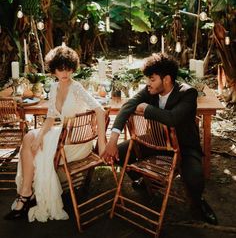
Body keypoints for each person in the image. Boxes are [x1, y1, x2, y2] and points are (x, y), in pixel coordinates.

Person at [102, 53, 218, 225]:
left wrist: (147, 108)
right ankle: (142, 179)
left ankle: (198, 202)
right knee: (119, 153)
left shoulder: (188, 93)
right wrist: (112, 141)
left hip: (184, 146)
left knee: (195, 178)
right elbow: (127, 107)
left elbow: (172, 118)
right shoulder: (150, 90)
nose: (148, 83)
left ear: (167, 79)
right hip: (156, 142)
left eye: (152, 79)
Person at [4, 46, 106, 222]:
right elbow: (51, 117)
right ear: (54, 70)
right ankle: (26, 192)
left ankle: (24, 197)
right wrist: (41, 137)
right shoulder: (53, 87)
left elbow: (100, 110)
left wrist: (102, 143)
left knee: (32, 146)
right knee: (30, 138)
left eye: (68, 68)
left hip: (77, 142)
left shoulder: (77, 87)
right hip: (62, 135)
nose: (65, 73)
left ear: (73, 68)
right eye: (60, 69)